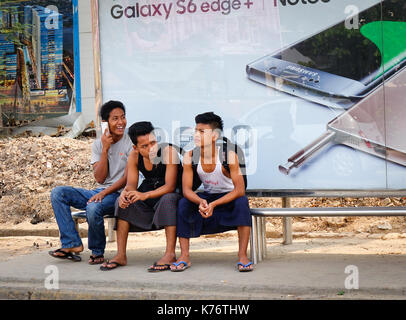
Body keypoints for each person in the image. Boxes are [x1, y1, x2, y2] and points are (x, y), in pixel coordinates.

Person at [49, 100, 133, 264]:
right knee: (58, 193)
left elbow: (127, 179)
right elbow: (100, 178)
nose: (121, 122)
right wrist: (105, 149)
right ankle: (71, 243)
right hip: (100, 191)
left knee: (93, 206)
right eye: (115, 118)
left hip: (118, 193)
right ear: (106, 122)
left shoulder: (130, 142)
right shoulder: (98, 145)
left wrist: (103, 193)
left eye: (123, 117)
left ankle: (97, 250)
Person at [172, 112, 253, 272]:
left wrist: (214, 204)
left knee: (243, 202)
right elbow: (187, 190)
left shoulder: (228, 155)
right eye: (196, 130)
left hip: (229, 197)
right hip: (208, 197)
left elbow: (240, 189)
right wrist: (200, 202)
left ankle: (242, 255)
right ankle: (184, 256)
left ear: (214, 136)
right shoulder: (190, 156)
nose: (196, 134)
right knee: (183, 203)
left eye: (202, 132)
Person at [100, 121, 182, 272]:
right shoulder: (133, 156)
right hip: (149, 192)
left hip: (170, 194)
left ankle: (170, 254)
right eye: (145, 146)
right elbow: (131, 184)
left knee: (168, 199)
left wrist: (144, 195)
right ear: (135, 148)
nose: (151, 149)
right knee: (122, 201)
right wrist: (127, 194)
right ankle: (121, 255)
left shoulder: (168, 152)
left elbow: (170, 186)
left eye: (153, 143)